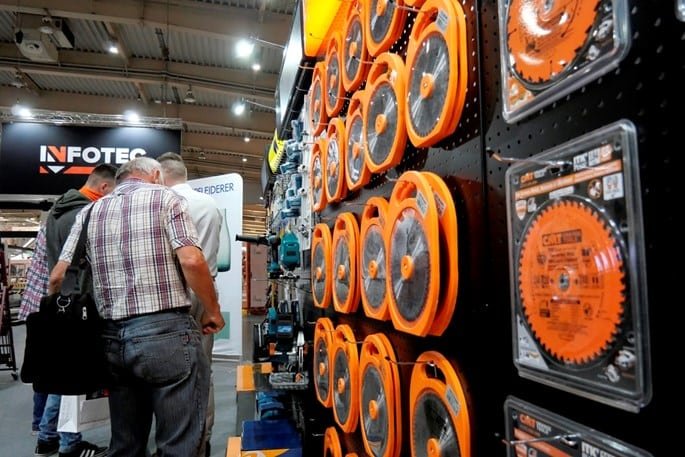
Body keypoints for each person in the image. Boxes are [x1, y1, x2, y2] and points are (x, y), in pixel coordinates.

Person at [49, 157, 225, 457]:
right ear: (155, 175)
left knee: (126, 443)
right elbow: (192, 260)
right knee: (178, 442)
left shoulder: (90, 211)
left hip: (112, 339)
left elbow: (57, 276)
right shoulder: (167, 198)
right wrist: (212, 310)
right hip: (166, 333)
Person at [23, 164, 117, 457]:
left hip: (62, 300)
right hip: (80, 304)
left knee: (61, 372)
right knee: (73, 378)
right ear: (104, 187)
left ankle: (48, 436)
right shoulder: (83, 214)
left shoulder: (57, 211)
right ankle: (68, 443)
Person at [157, 152, 221, 457]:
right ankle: (201, 439)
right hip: (205, 293)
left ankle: (172, 440)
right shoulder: (210, 205)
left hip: (171, 294)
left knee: (166, 372)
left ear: (161, 175)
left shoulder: (164, 204)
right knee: (202, 369)